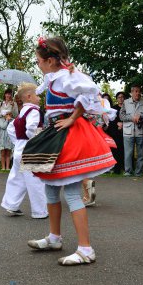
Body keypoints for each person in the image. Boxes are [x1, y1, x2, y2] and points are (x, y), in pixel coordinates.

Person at [21, 36, 116, 266]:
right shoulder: (55, 77)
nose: (38, 64)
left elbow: (90, 93)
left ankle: (86, 249)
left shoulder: (66, 77)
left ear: (51, 61)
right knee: (51, 190)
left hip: (68, 136)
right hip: (56, 133)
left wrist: (73, 117)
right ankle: (54, 237)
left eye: (39, 60)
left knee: (72, 192)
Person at [1, 83, 48, 219]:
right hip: (31, 150)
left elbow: (11, 128)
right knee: (36, 180)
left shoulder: (22, 112)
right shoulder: (34, 111)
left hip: (19, 150)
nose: (39, 98)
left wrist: (18, 142)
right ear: (29, 96)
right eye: (37, 95)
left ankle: (11, 205)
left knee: (16, 178)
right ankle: (40, 211)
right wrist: (38, 138)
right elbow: (31, 129)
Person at [120, 84, 143, 176]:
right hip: (128, 132)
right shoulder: (126, 102)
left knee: (141, 153)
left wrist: (141, 117)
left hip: (141, 132)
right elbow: (121, 116)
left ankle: (138, 172)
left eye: (139, 91)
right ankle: (128, 171)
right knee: (128, 153)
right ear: (131, 92)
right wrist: (132, 118)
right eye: (135, 91)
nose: (137, 93)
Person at [0, 88, 19, 170]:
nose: (8, 95)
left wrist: (13, 108)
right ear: (4, 94)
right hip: (3, 125)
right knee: (2, 147)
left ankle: (8, 167)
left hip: (10, 125)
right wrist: (4, 114)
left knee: (9, 147)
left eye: (9, 94)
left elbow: (16, 115)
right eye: (7, 94)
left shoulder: (14, 104)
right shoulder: (0, 104)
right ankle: (2, 167)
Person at [105, 91, 125, 174]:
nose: (121, 99)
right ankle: (116, 169)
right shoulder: (113, 108)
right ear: (116, 99)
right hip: (115, 133)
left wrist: (123, 124)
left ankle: (124, 167)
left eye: (122, 97)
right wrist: (117, 123)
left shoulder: (127, 107)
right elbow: (110, 120)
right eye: (119, 97)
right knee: (115, 150)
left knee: (124, 150)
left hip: (125, 131)